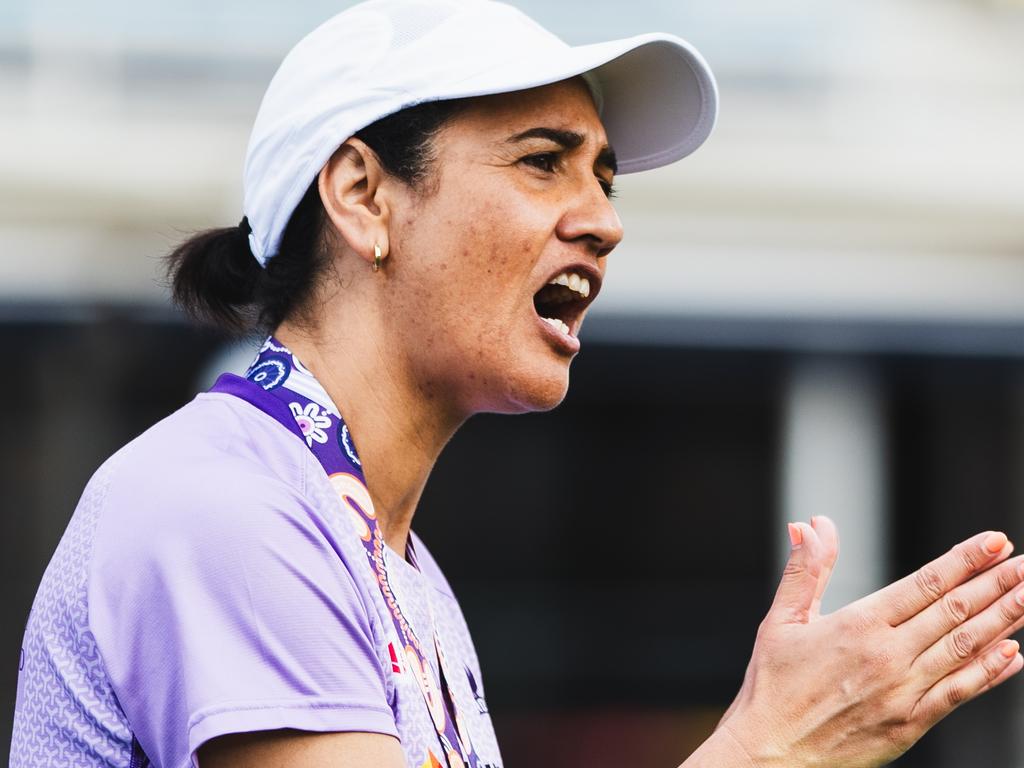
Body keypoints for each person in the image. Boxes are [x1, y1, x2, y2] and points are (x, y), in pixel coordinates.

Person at [10, 1, 1024, 766]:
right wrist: (764, 748)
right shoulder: (224, 506)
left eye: (606, 180)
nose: (603, 219)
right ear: (364, 196)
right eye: (544, 162)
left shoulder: (395, 568)